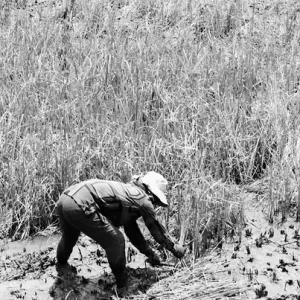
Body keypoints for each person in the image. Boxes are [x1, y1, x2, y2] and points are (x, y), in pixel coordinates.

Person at [56, 171, 186, 291]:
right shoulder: (144, 201)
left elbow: (132, 232)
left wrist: (149, 254)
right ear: (152, 194)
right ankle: (122, 286)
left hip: (66, 199)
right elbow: (157, 230)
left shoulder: (129, 193)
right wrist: (176, 249)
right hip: (79, 203)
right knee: (116, 240)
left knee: (69, 236)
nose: (155, 204)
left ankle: (61, 266)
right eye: (156, 201)